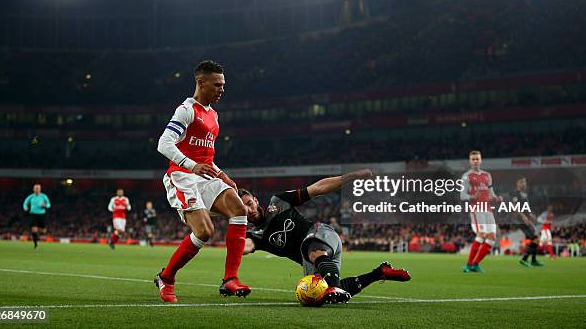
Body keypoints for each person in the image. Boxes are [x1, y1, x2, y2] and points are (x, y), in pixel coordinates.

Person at [240, 169, 411, 305]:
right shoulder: (255, 235)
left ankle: (334, 287)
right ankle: (379, 273)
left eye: (249, 203)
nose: (249, 210)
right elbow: (245, 246)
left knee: (312, 250)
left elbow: (317, 189)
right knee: (317, 294)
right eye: (242, 208)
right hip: (314, 261)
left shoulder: (277, 202)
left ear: (255, 200)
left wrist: (352, 176)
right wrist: (236, 242)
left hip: (321, 235)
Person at [155, 60, 249, 303]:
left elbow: (205, 156)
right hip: (182, 177)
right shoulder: (186, 110)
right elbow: (163, 144)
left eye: (223, 85)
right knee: (205, 232)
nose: (222, 89)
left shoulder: (214, 116)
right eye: (217, 85)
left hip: (205, 176)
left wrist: (221, 173)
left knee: (239, 208)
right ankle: (166, 277)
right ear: (201, 82)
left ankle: (230, 279)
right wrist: (192, 166)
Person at [460, 150, 502, 273]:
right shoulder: (466, 176)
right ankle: (468, 265)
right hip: (477, 209)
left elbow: (491, 193)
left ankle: (475, 264)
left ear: (481, 160)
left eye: (477, 159)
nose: (475, 161)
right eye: (473, 159)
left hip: (488, 209)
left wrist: (495, 198)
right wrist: (472, 197)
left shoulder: (487, 175)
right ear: (470, 161)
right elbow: (462, 195)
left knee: (492, 238)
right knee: (481, 234)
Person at [510, 177, 544, 267]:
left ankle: (533, 260)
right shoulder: (516, 194)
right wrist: (524, 216)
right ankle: (525, 259)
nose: (524, 184)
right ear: (517, 184)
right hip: (520, 220)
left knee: (536, 238)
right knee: (535, 238)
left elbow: (525, 207)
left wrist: (530, 215)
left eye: (525, 182)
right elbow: (514, 207)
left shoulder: (524, 195)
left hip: (526, 220)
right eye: (521, 182)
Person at [22, 183, 51, 249]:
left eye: (38, 188)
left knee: (43, 230)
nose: (37, 189)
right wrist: (25, 207)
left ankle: (38, 235)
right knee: (34, 229)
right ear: (33, 189)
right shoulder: (31, 196)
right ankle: (35, 244)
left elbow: (49, 204)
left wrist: (45, 206)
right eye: (35, 188)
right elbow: (25, 202)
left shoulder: (43, 196)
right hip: (33, 214)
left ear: (40, 189)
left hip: (42, 214)